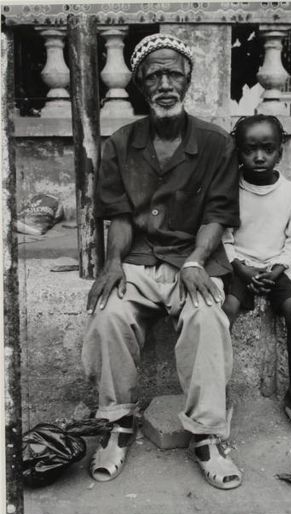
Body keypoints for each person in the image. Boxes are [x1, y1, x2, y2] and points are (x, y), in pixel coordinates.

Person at [82, 33, 242, 489]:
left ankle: (207, 435)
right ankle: (118, 423)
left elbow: (217, 214)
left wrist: (195, 261)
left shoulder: (215, 143)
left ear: (188, 77)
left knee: (208, 320)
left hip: (191, 259)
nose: (165, 83)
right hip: (137, 256)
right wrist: (113, 264)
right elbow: (118, 214)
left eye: (173, 73)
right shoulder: (120, 143)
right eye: (154, 75)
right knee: (108, 314)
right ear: (140, 84)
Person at [222, 114, 291, 440]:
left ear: (281, 150)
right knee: (224, 312)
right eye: (251, 149)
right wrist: (240, 266)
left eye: (268, 148)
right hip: (240, 265)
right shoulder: (228, 188)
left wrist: (277, 268)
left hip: (277, 266)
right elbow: (222, 236)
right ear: (238, 150)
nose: (260, 156)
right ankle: (216, 392)